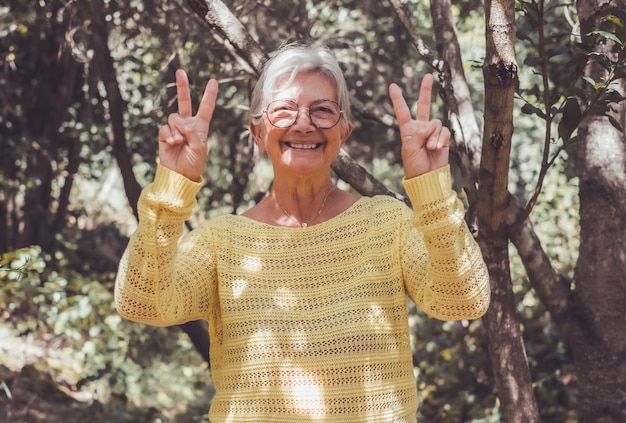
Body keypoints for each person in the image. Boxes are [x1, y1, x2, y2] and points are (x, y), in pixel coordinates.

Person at [115, 43, 490, 422]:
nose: (303, 123)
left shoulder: (386, 224)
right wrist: (173, 184)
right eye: (283, 110)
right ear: (257, 132)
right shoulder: (221, 243)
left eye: (322, 110)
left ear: (344, 132)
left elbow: (464, 299)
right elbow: (142, 301)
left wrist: (431, 189)